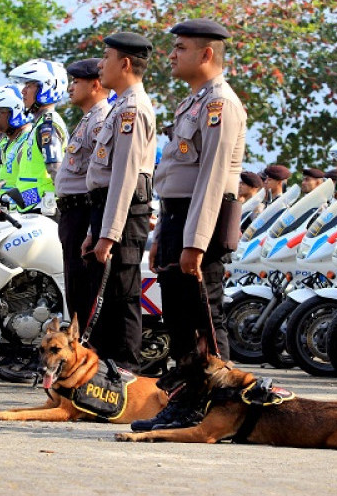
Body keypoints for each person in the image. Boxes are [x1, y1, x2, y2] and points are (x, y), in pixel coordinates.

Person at [133, 19, 246, 432]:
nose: (172, 54)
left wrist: (195, 243)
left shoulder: (221, 105)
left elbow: (213, 181)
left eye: (181, 47)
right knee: (180, 320)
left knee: (204, 322)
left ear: (206, 54)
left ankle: (224, 409)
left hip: (203, 223)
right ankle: (185, 404)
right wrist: (164, 233)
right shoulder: (194, 102)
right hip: (179, 218)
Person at [79, 31, 156, 372]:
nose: (100, 64)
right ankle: (108, 370)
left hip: (123, 213)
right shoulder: (119, 106)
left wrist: (109, 232)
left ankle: (126, 372)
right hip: (107, 209)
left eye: (106, 57)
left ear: (124, 63)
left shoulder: (132, 109)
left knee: (123, 295)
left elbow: (125, 175)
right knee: (107, 295)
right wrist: (97, 230)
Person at [55, 58, 111, 329]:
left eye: (76, 82)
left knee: (83, 290)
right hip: (71, 213)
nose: (70, 88)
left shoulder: (101, 120)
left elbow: (100, 177)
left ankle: (85, 352)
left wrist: (91, 225)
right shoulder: (88, 119)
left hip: (82, 212)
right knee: (74, 287)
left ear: (95, 84)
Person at [8, 59, 69, 212]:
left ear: (46, 87)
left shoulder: (47, 126)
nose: (23, 91)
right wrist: (15, 199)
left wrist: (25, 198)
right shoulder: (39, 124)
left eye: (29, 85)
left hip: (44, 210)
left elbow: (56, 173)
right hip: (31, 208)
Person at [0, 84, 33, 194]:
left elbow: (31, 185)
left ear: (14, 112)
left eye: (0, 112)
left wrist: (13, 202)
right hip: (5, 209)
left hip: (24, 210)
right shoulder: (7, 143)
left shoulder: (28, 140)